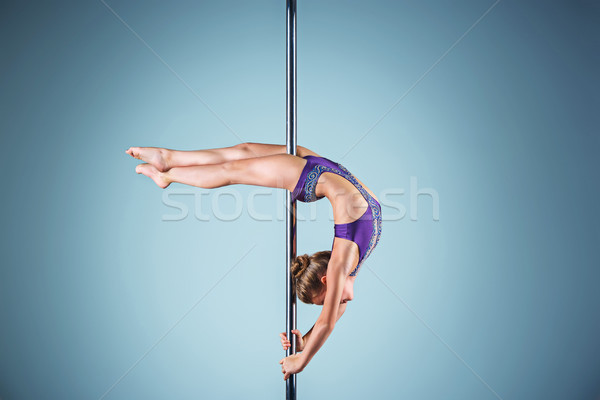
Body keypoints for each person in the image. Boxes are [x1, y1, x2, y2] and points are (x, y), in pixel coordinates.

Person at [126, 142, 382, 380]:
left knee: (241, 155)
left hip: (326, 171)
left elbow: (337, 310)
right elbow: (328, 321)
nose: (331, 304)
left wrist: (304, 340)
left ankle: (169, 161)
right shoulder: (340, 266)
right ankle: (167, 172)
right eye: (323, 301)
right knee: (231, 169)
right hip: (313, 176)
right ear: (326, 279)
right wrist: (301, 361)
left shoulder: (350, 261)